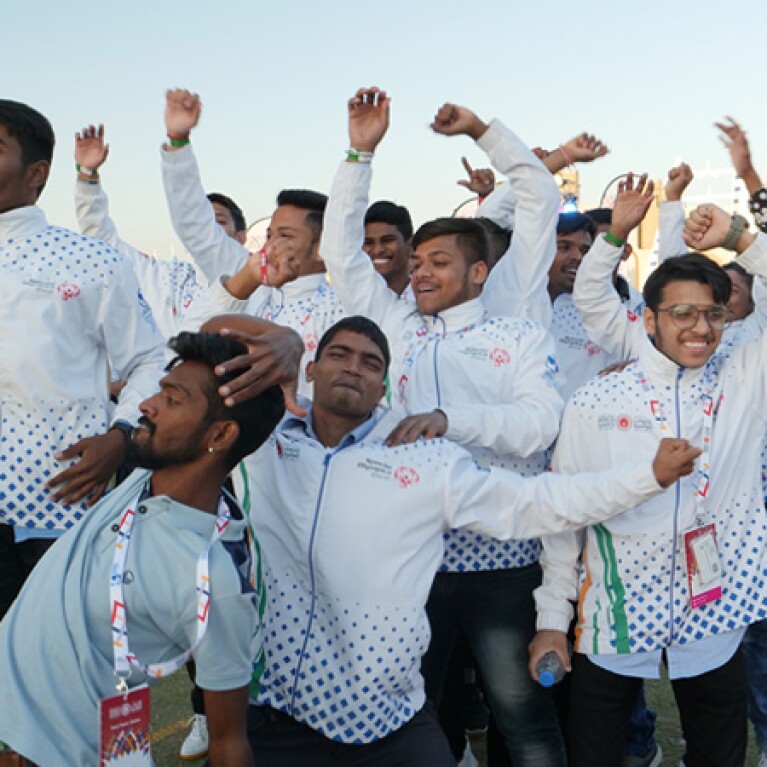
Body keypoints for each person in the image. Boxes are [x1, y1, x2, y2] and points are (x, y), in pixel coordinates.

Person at [235, 314, 698, 765]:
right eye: (339, 355)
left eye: (371, 363)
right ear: (310, 370)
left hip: (383, 721)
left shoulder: (421, 459)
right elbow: (196, 350)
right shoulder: (261, 442)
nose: (354, 367)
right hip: (275, 712)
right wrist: (281, 338)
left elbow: (537, 501)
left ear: (383, 388)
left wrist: (648, 476)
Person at [320, 88, 567, 763]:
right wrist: (358, 154)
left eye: (438, 262)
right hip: (409, 559)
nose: (420, 273)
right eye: (417, 262)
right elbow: (339, 250)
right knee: (417, 714)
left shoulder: (512, 329)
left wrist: (448, 420)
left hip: (500, 563)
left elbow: (539, 425)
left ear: (479, 271)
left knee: (522, 719)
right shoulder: (392, 322)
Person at [532, 173, 767, 767]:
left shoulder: (742, 380)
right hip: (615, 614)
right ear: (648, 319)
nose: (699, 327)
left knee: (718, 754)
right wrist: (553, 620)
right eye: (682, 313)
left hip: (718, 610)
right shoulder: (598, 402)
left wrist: (740, 237)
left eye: (712, 314)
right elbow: (564, 516)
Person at [0, 329, 289, 767]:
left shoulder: (215, 584)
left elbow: (229, 742)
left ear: (221, 433)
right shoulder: (142, 478)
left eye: (172, 400)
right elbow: (211, 320)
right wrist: (285, 342)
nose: (147, 405)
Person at [0, 99, 166, 619]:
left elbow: (152, 358)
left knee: (48, 677)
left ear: (37, 172)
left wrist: (122, 437)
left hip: (49, 508)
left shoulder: (89, 259)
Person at [73, 123, 248, 339]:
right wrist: (87, 177)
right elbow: (104, 243)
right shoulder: (169, 278)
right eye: (202, 223)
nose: (207, 230)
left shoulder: (262, 290)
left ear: (241, 237)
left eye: (218, 222)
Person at [363, 200, 413, 295]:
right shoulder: (346, 302)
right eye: (368, 242)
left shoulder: (429, 302)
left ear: (410, 245)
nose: (377, 250)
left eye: (387, 240)